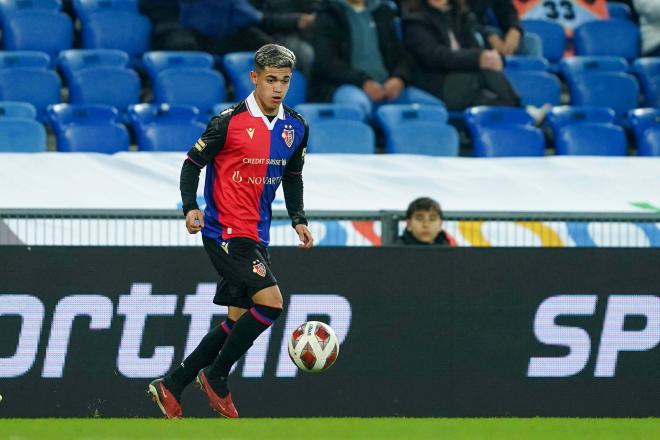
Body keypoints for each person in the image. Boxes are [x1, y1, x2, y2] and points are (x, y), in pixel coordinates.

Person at [147, 44, 314, 419]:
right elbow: (192, 164)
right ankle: (217, 376)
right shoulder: (228, 121)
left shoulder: (296, 126)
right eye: (271, 80)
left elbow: (293, 176)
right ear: (254, 78)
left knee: (238, 319)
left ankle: (173, 384)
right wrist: (191, 206)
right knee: (271, 303)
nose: (278, 88)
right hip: (223, 230)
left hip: (257, 233)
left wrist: (298, 218)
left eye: (285, 81)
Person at [311, 0, 441, 115]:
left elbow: (402, 55)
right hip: (344, 86)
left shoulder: (383, 11)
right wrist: (364, 82)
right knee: (357, 106)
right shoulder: (328, 14)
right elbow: (326, 62)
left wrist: (399, 78)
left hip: (386, 87)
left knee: (433, 108)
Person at [403, 0, 520, 111]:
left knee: (496, 103)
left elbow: (474, 48)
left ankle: (517, 112)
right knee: (485, 72)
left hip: (466, 82)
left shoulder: (459, 14)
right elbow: (436, 56)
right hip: (439, 85)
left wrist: (489, 58)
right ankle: (521, 110)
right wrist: (479, 59)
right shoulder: (415, 19)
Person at [468, 0, 543, 57]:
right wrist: (488, 35)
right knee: (478, 38)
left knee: (532, 42)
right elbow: (462, 20)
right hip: (468, 32)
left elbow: (506, 9)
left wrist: (515, 29)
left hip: (488, 31)